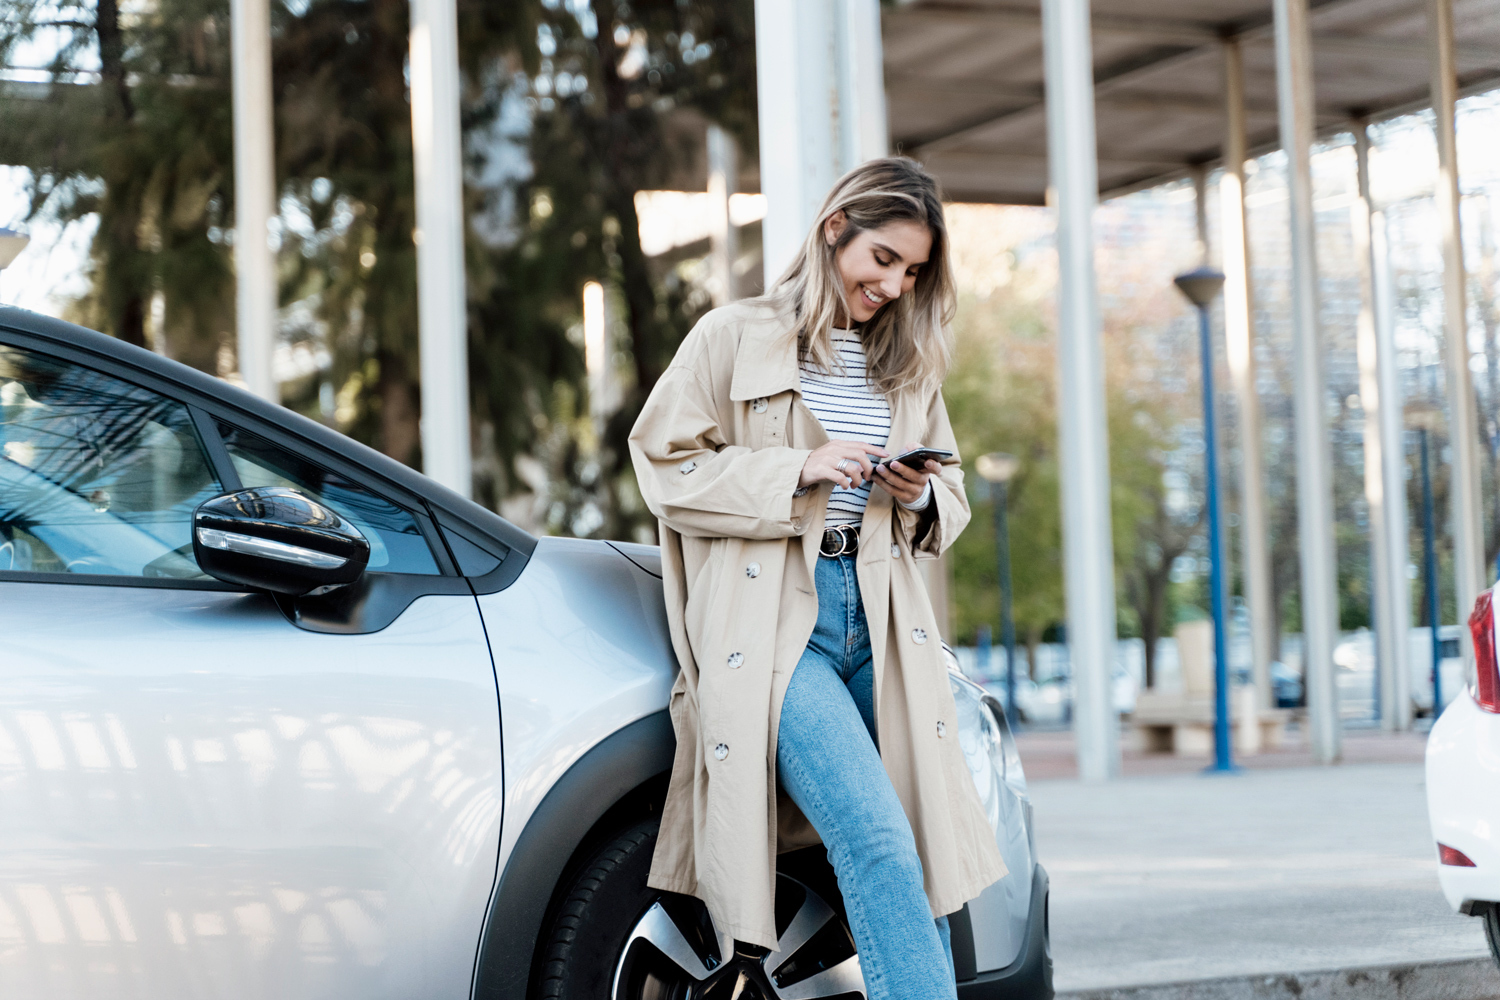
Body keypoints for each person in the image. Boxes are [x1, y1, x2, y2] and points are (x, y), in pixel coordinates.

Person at [629, 156, 1005, 999]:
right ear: (835, 229)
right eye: (883, 259)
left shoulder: (907, 362)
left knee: (922, 845)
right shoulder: (731, 335)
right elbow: (664, 467)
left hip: (881, 615)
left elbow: (950, 499)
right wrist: (799, 467)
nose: (894, 287)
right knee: (876, 841)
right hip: (776, 623)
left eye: (913, 272)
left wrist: (917, 493)